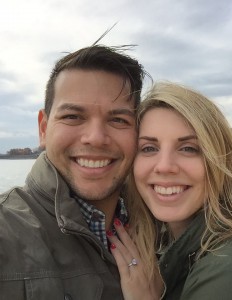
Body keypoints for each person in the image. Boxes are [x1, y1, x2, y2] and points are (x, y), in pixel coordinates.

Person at [108, 82, 232, 300]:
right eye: (149, 148)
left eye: (188, 148)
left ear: (219, 161)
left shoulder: (228, 275)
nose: (164, 166)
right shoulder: (175, 247)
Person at [0, 43, 148, 299]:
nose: (96, 138)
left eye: (118, 120)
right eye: (73, 117)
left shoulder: (162, 226)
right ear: (44, 128)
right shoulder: (7, 233)